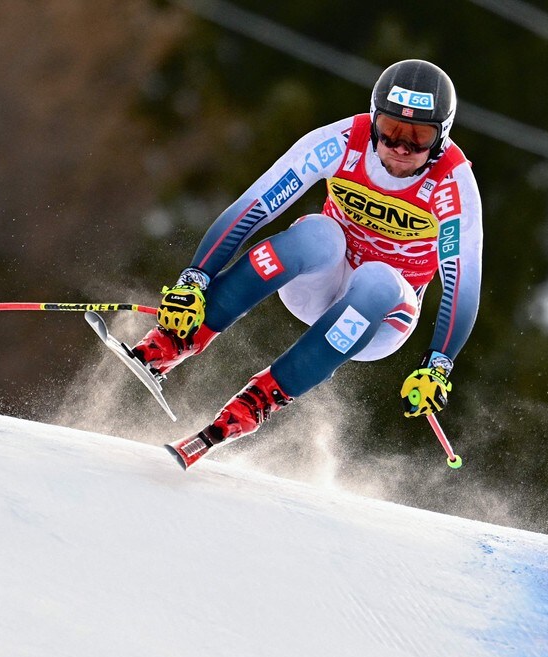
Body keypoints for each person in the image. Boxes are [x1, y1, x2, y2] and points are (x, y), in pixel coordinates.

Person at [132, 59, 483, 468]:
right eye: (390, 131)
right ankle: (176, 339)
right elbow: (255, 206)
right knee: (317, 232)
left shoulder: (453, 184)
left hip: (379, 320)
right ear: (373, 121)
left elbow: (462, 284)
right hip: (317, 283)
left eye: (419, 137)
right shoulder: (341, 141)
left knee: (377, 280)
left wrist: (438, 363)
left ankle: (259, 400)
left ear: (442, 137)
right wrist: (194, 280)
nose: (401, 148)